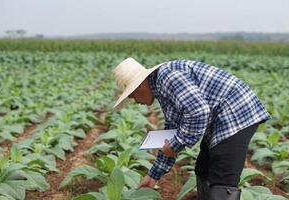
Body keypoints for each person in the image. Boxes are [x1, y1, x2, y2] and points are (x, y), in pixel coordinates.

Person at [112, 57, 271, 200]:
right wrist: (153, 175)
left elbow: (199, 112)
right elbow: (173, 131)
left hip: (236, 113)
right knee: (203, 169)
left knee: (222, 179)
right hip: (219, 119)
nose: (134, 100)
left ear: (139, 86)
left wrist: (175, 145)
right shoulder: (161, 88)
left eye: (131, 95)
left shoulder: (168, 77)